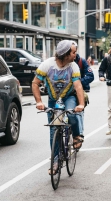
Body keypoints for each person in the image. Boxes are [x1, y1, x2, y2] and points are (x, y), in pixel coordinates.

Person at [32, 40, 84, 174]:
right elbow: (35, 83)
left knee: (72, 114)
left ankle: (77, 135)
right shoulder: (47, 65)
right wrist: (39, 101)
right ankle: (55, 161)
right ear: (65, 54)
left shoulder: (73, 66)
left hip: (69, 97)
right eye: (73, 52)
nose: (75, 55)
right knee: (53, 130)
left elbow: (78, 86)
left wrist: (81, 104)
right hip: (53, 100)